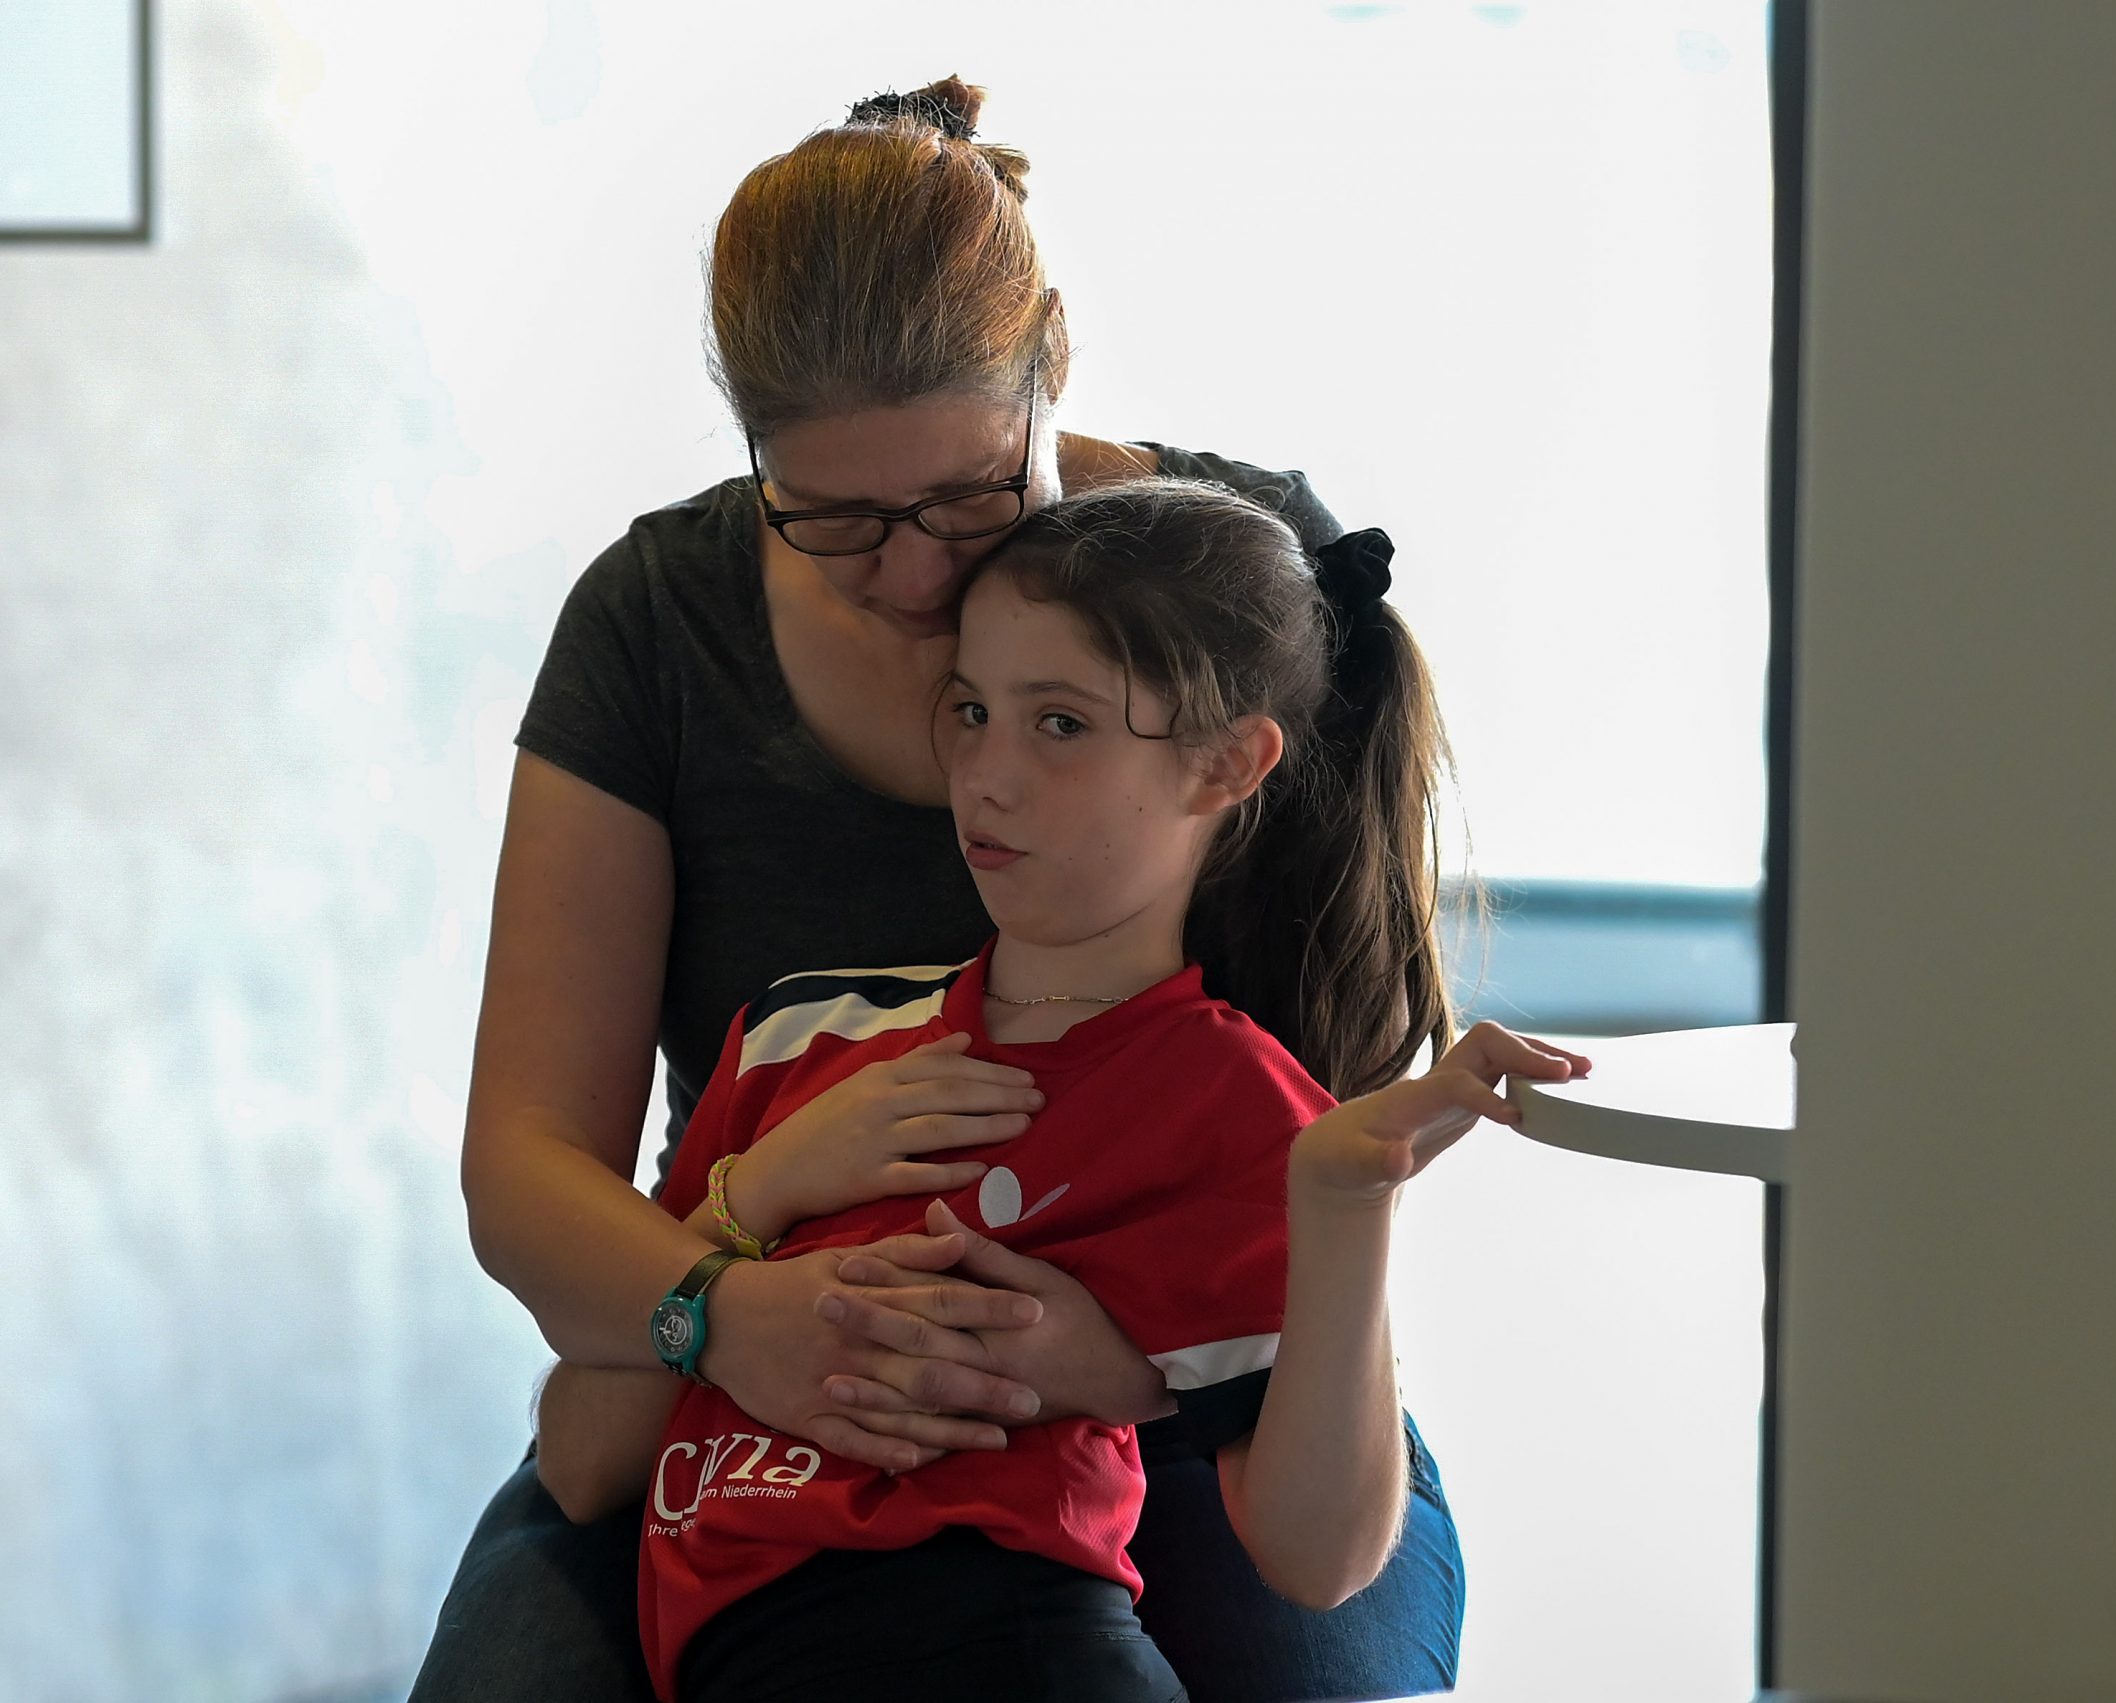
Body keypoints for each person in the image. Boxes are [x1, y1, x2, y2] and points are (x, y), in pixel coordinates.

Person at [411, 78, 1477, 1703]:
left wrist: (1119, 1364)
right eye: (833, 518)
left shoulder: (1230, 576)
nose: (913, 575)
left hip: (1186, 1378)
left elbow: (1314, 1139)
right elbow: (528, 1168)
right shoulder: (658, 627)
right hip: (753, 1356)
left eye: (969, 496)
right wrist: (728, 1312)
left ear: (1053, 364)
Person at [533, 480, 1591, 1702]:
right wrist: (755, 1200)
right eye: (972, 710)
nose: (984, 776)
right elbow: (581, 1456)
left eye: (1061, 723)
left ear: (1226, 763)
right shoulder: (797, 1036)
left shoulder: (1236, 1105)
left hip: (1015, 1648)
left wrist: (1349, 1204)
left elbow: (1319, 1557)